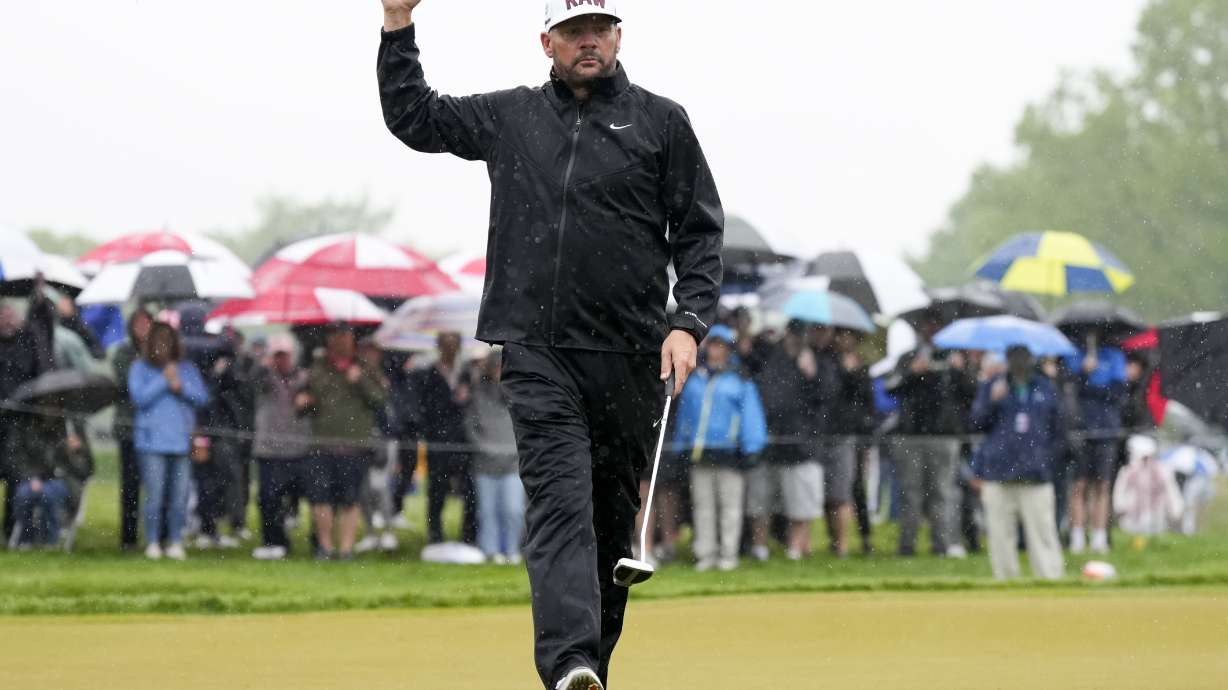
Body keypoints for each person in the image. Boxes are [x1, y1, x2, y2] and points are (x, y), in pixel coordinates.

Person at [377, 1, 723, 687]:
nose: (587, 40)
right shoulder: (511, 117)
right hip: (538, 353)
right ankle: (568, 662)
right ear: (546, 43)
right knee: (562, 504)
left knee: (606, 528)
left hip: (629, 358)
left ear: (619, 35)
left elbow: (699, 233)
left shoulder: (661, 122)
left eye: (598, 28)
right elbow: (414, 117)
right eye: (572, 31)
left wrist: (688, 322)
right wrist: (396, 23)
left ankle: (589, 665)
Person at [672, 325, 766, 572]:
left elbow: (751, 416)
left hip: (729, 454)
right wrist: (681, 445)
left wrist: (752, 447)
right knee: (703, 507)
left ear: (728, 349)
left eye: (721, 345)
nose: (716, 350)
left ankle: (728, 555)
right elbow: (686, 417)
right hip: (700, 453)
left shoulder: (740, 380)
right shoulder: (697, 379)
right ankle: (706, 554)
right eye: (713, 344)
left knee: (730, 508)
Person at [968, 345, 1065, 581]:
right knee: (1000, 533)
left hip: (1036, 474)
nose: (1019, 362)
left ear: (1031, 359)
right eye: (1014, 357)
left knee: (1042, 532)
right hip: (999, 472)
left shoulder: (1045, 387)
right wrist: (992, 401)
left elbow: (1058, 431)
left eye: (1023, 357)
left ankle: (1050, 579)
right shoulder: (993, 386)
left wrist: (1046, 460)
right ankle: (1005, 580)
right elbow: (976, 422)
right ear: (1008, 360)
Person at [887, 317, 977, 558]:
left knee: (942, 492)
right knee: (911, 493)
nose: (930, 331)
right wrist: (912, 373)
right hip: (911, 435)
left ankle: (942, 545)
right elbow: (891, 388)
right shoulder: (908, 357)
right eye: (927, 326)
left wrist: (960, 371)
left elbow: (971, 393)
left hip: (944, 435)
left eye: (936, 327)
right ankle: (907, 546)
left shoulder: (954, 359)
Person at [296, 323, 387, 560]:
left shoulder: (366, 367)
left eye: (345, 336)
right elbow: (309, 400)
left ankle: (346, 549)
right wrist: (304, 403)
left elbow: (381, 400)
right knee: (320, 498)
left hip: (354, 445)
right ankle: (325, 547)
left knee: (351, 499)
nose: (341, 341)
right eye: (336, 336)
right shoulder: (317, 367)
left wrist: (360, 381)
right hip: (322, 443)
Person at [745, 320, 831, 562]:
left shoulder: (818, 361)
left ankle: (795, 550)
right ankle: (760, 549)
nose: (796, 339)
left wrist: (812, 374)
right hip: (769, 443)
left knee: (800, 505)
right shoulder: (771, 357)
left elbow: (826, 397)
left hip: (802, 446)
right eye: (793, 334)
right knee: (760, 502)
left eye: (801, 335)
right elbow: (755, 373)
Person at [129, 321, 210, 561]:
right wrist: (164, 380)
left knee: (179, 496)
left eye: (168, 341)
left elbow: (202, 398)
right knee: (154, 495)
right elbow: (139, 398)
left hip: (182, 442)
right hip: (151, 443)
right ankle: (153, 541)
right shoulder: (140, 368)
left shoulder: (187, 369)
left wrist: (180, 386)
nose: (163, 346)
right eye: (159, 341)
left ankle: (175, 540)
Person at [409, 332, 478, 545]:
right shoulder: (428, 374)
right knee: (437, 490)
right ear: (439, 346)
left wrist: (466, 397)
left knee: (469, 490)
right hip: (438, 440)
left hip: (463, 440)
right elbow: (422, 407)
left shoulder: (467, 374)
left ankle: (469, 535)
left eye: (454, 344)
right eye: (446, 344)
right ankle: (435, 535)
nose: (450, 348)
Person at [251, 336, 311, 560]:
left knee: (309, 498)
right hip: (270, 450)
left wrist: (308, 397)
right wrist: (264, 365)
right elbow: (252, 381)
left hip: (300, 449)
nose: (281, 360)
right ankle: (273, 542)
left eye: (284, 355)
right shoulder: (264, 378)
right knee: (269, 499)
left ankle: (316, 544)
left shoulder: (304, 379)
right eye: (277, 356)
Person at [1064, 339, 1127, 554]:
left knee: (1102, 485)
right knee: (1079, 485)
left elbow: (1118, 393)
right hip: (1080, 431)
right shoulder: (1075, 354)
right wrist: (1084, 372)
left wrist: (1091, 387)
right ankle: (1077, 537)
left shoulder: (1114, 355)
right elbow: (1070, 387)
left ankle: (1099, 537)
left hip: (1106, 431)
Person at [466, 349, 525, 564]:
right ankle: (491, 552)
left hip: (513, 462)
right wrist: (483, 447)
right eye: (496, 367)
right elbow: (470, 426)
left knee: (513, 510)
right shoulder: (477, 393)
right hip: (485, 463)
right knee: (487, 511)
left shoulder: (521, 394)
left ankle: (511, 549)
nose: (499, 371)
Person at [826, 328, 876, 558]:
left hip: (856, 436)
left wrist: (853, 372)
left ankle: (865, 538)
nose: (844, 340)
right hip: (836, 433)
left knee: (856, 490)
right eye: (841, 335)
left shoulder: (862, 368)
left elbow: (867, 402)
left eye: (849, 336)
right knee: (837, 492)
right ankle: (836, 541)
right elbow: (833, 396)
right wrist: (846, 372)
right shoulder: (831, 363)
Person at [110, 309, 154, 550]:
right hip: (129, 427)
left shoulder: (160, 352)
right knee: (130, 484)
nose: (143, 327)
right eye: (139, 323)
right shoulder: (124, 352)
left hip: (154, 429)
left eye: (147, 323)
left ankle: (156, 536)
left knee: (155, 485)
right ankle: (128, 538)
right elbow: (129, 385)